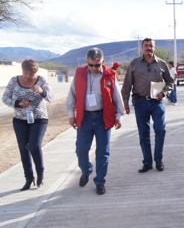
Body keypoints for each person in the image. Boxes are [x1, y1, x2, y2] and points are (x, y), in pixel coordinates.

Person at [66, 48, 125, 195]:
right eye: (90, 65)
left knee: (103, 151)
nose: (93, 68)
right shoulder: (79, 73)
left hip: (102, 118)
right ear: (87, 62)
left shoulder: (110, 75)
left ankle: (100, 181)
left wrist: (119, 116)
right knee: (81, 150)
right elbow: (72, 95)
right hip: (84, 118)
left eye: (97, 65)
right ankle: (86, 170)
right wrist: (71, 114)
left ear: (102, 62)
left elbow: (117, 96)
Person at [121, 38, 174, 173]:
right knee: (143, 133)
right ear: (142, 47)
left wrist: (164, 93)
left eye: (151, 46)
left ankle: (158, 160)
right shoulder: (134, 64)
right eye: (146, 45)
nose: (148, 48)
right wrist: (125, 102)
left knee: (160, 130)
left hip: (157, 102)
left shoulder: (162, 64)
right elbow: (127, 84)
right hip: (140, 102)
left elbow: (170, 83)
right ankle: (147, 162)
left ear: (154, 48)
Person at [2, 59, 54, 191]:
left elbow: (51, 97)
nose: (28, 76)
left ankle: (40, 174)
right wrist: (17, 103)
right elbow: (5, 98)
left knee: (34, 146)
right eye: (26, 73)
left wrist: (42, 91)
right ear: (22, 71)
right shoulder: (14, 81)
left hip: (38, 118)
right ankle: (28, 178)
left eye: (31, 74)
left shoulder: (41, 80)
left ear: (36, 73)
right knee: (23, 148)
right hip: (20, 119)